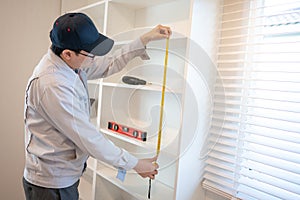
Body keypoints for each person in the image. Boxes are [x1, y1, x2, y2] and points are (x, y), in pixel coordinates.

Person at [22, 12, 171, 200]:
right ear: (68, 54)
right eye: (90, 54)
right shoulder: (52, 85)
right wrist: (135, 164)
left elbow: (108, 64)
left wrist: (144, 39)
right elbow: (89, 139)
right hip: (52, 185)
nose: (95, 58)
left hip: (63, 177)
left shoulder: (69, 63)